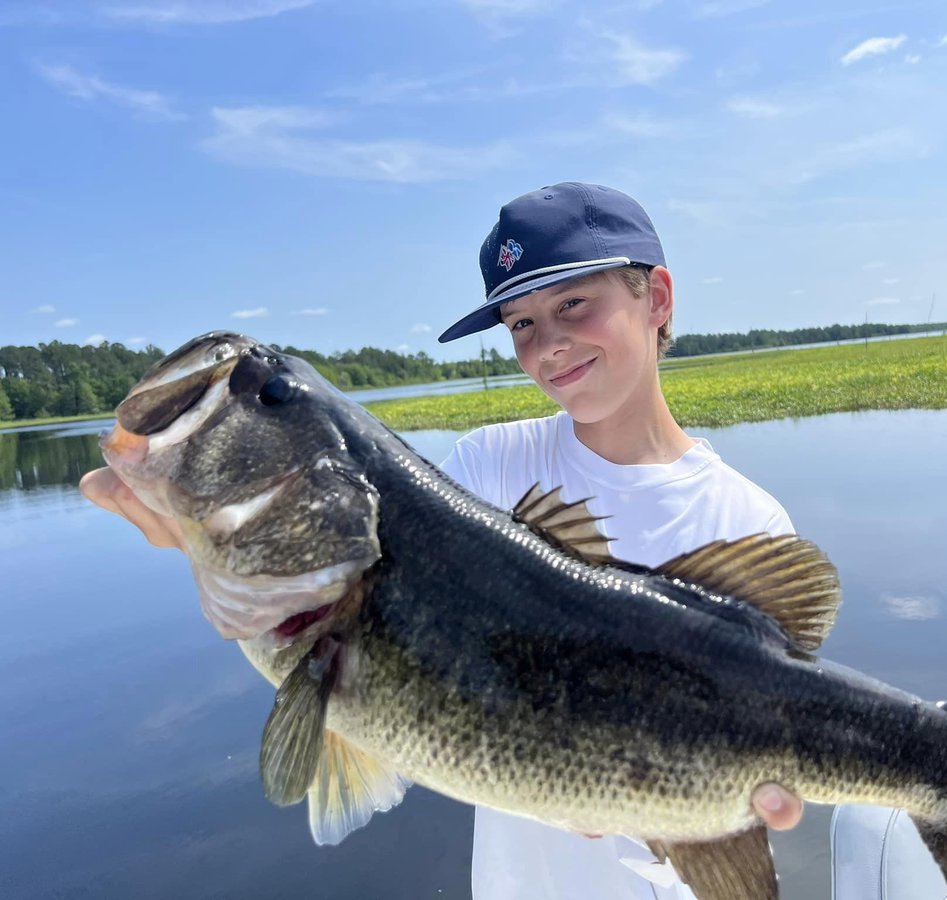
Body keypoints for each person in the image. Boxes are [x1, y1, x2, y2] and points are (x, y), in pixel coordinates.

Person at [79, 181, 804, 899]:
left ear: (659, 299)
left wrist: (651, 816)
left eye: (572, 305)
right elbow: (379, 599)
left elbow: (763, 742)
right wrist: (212, 544)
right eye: (520, 324)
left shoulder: (748, 520)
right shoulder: (489, 465)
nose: (548, 344)